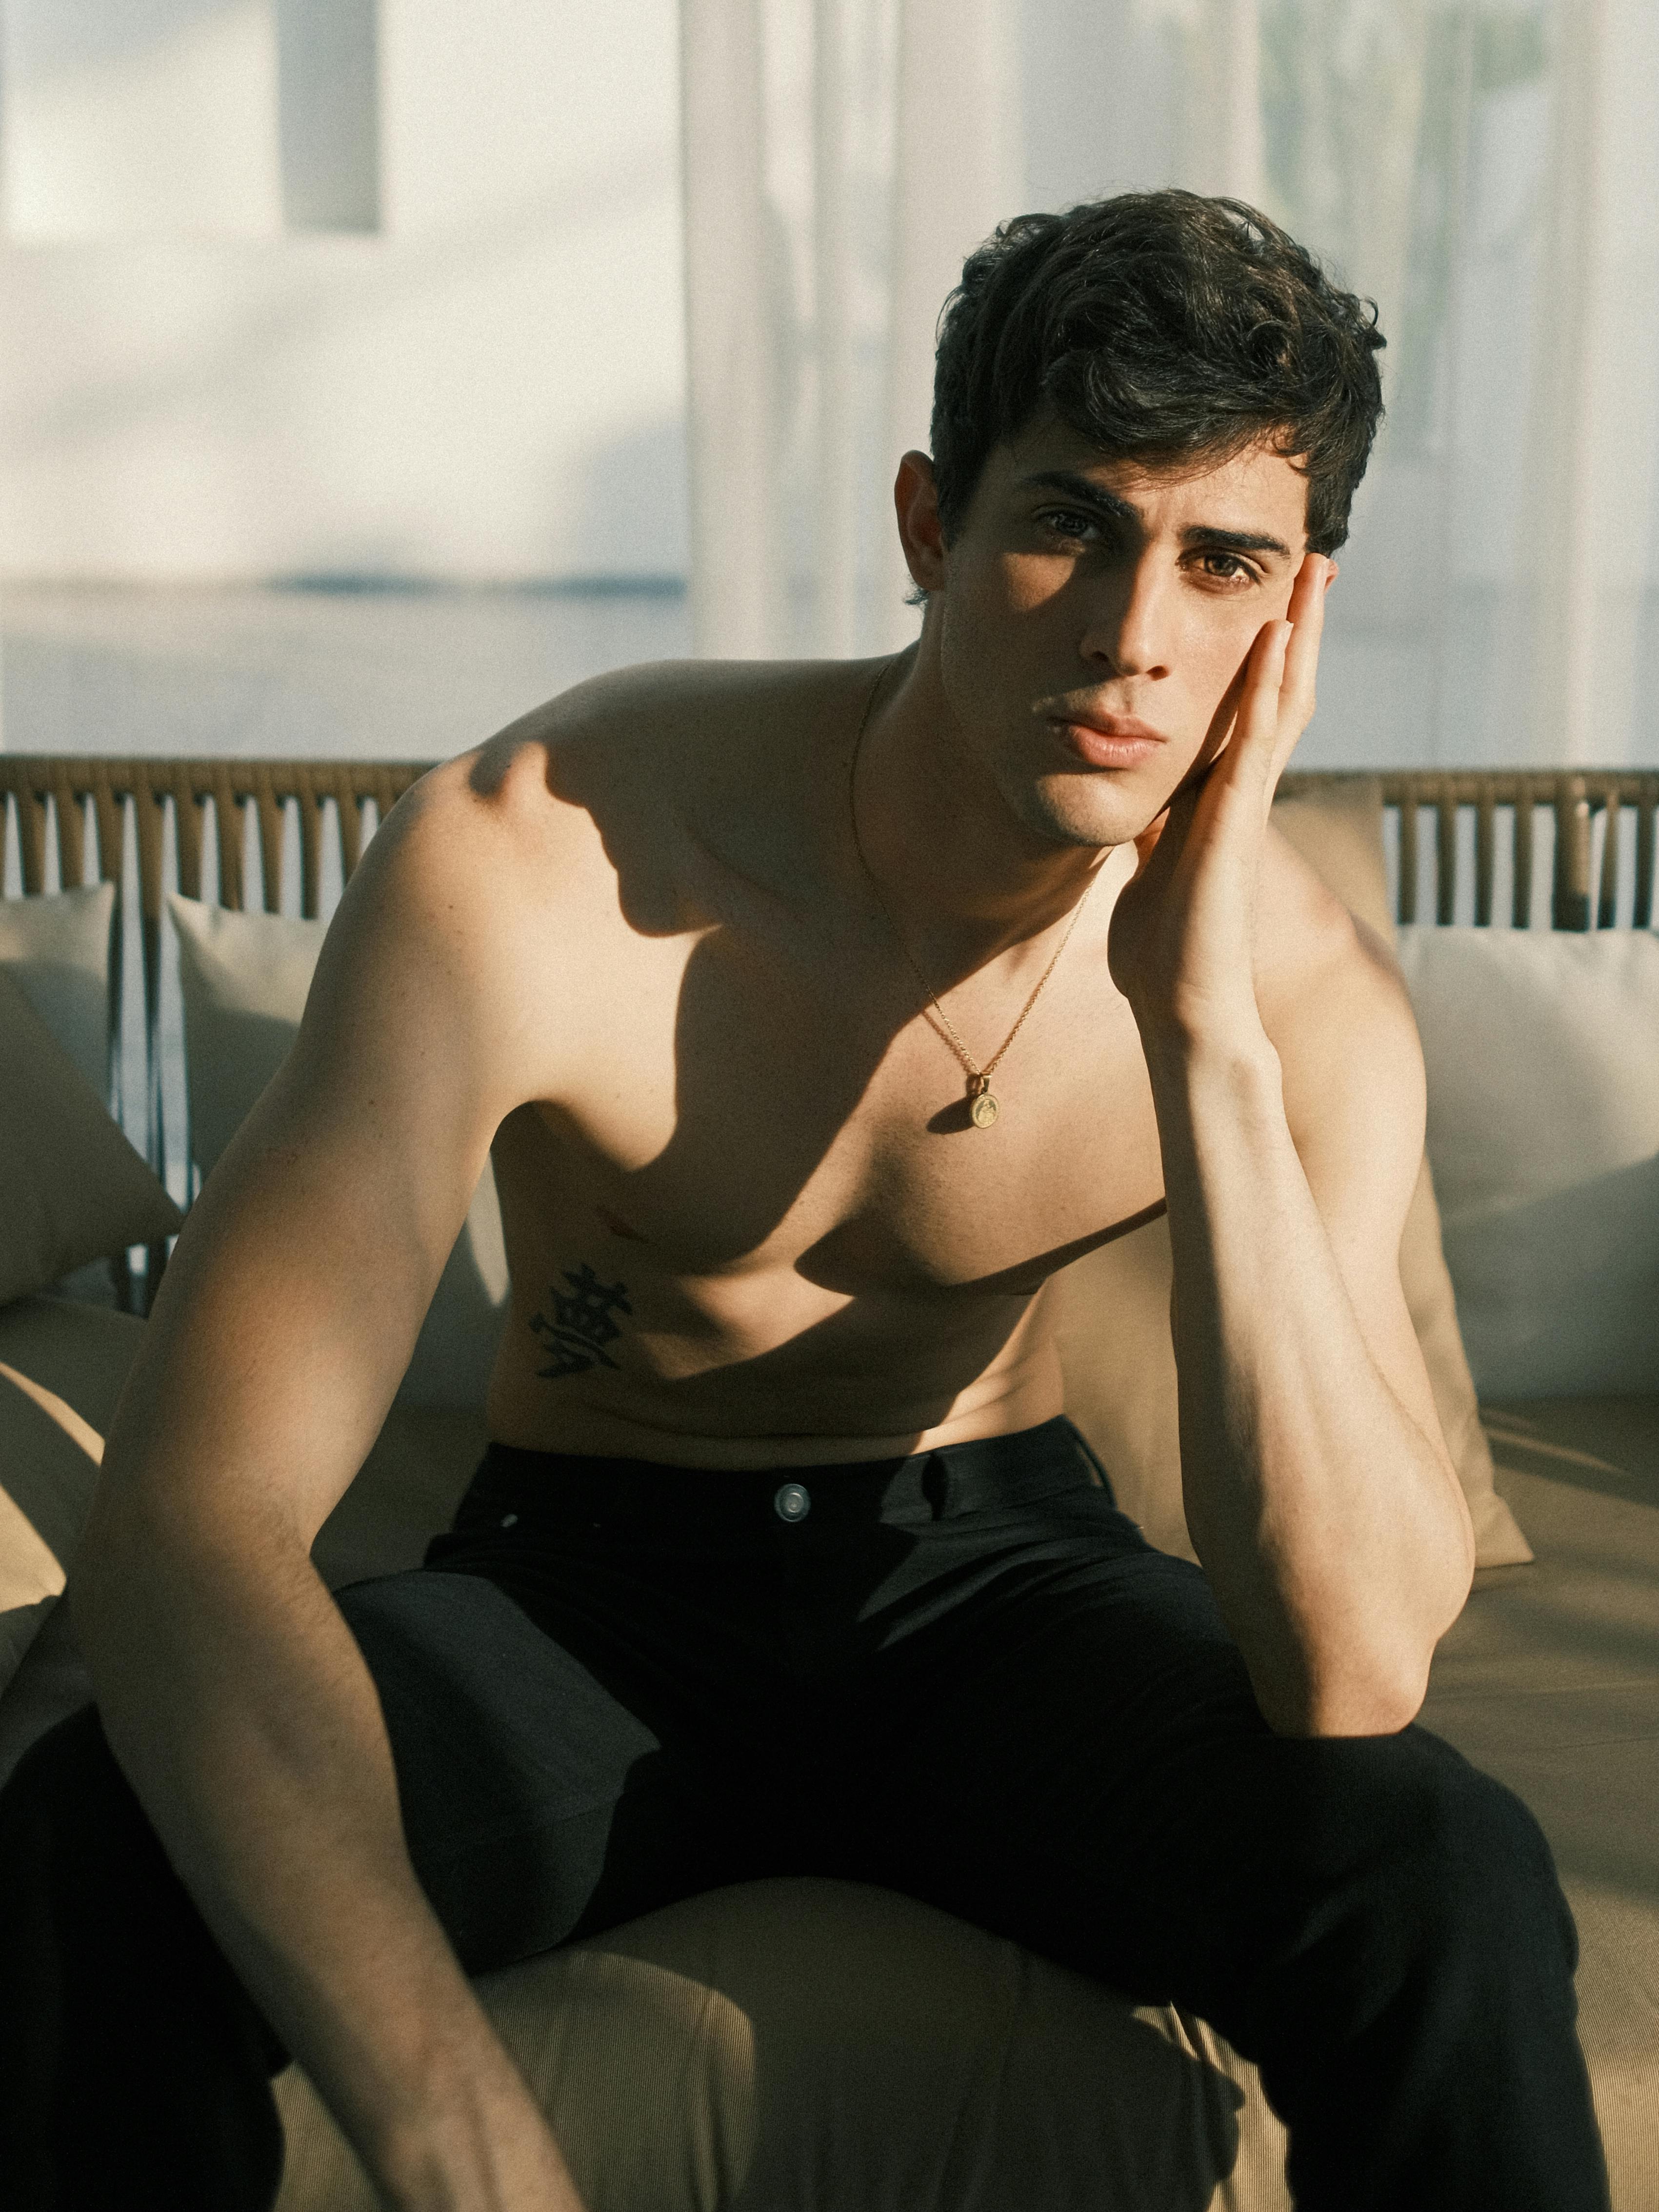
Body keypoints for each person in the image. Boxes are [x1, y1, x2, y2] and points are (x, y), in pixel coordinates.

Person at [0, 191, 1609, 2212]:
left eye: (1220, 562)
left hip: (989, 1574)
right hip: (588, 1579)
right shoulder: (546, 854)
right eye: (1068, 525)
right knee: (95, 1843)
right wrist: (451, 2124)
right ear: (929, 526)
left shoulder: (1290, 987)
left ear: (1293, 609)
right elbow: (195, 1519)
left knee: (1437, 1873)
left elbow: (1349, 1673)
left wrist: (1197, 1024)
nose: (1133, 637)